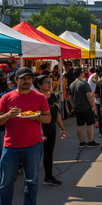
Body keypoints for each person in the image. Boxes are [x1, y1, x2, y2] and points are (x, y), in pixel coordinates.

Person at [0, 67, 52, 205]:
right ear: (16, 79)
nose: (27, 81)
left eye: (29, 78)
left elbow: (48, 119)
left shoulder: (39, 97)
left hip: (33, 146)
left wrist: (36, 117)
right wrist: (8, 115)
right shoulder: (6, 97)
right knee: (5, 183)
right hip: (10, 147)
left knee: (32, 181)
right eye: (23, 78)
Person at [35, 75, 66, 186]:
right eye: (47, 82)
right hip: (38, 130)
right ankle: (30, 180)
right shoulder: (35, 97)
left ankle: (48, 177)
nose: (50, 84)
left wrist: (62, 128)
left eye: (50, 82)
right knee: (35, 155)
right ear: (39, 85)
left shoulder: (52, 96)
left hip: (51, 129)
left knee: (49, 154)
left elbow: (56, 113)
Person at [68, 68, 99, 148]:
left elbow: (70, 97)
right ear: (81, 73)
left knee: (79, 125)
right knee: (90, 124)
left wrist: (73, 106)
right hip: (86, 107)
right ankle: (90, 141)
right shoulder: (84, 84)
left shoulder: (72, 84)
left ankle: (81, 142)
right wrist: (93, 105)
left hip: (77, 107)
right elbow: (88, 95)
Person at [88, 66, 102, 133]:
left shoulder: (96, 75)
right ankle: (98, 123)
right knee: (97, 112)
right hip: (93, 96)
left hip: (94, 95)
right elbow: (97, 81)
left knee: (97, 111)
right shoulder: (94, 76)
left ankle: (98, 122)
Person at [0, 69, 10, 153]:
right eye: (0, 75)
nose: (2, 77)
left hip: (7, 127)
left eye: (3, 75)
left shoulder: (8, 91)